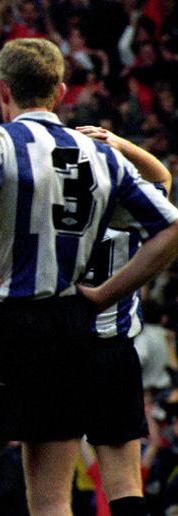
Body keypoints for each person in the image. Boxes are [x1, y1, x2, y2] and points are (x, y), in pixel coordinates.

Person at [0, 38, 178, 515]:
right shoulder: (101, 155)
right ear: (60, 92)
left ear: (2, 90)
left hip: (8, 324)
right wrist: (105, 295)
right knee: (49, 498)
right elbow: (170, 227)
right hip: (71, 327)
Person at [76, 125, 172, 515]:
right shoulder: (130, 208)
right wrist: (117, 142)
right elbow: (161, 177)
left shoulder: (56, 210)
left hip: (62, 343)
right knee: (126, 483)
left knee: (50, 481)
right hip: (114, 348)